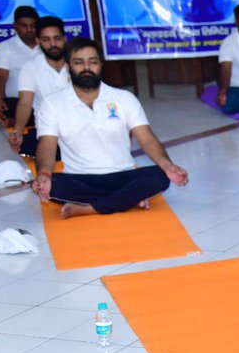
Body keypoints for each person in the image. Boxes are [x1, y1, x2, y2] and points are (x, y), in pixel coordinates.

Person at [30, 38, 189, 219]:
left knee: (160, 176)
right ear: (68, 66)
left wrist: (168, 165)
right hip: (80, 179)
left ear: (100, 64)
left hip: (123, 176)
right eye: (79, 62)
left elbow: (146, 138)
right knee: (49, 185)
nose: (87, 68)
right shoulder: (52, 103)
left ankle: (88, 208)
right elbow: (47, 145)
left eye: (93, 62)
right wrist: (43, 173)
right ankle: (126, 200)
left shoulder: (123, 98)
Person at [10, 16, 69, 158]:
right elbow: (25, 102)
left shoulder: (78, 63)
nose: (53, 44)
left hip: (80, 131)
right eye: (46, 40)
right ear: (38, 41)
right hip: (48, 132)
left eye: (57, 38)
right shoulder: (30, 67)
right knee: (25, 147)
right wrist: (17, 131)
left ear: (65, 39)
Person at [0, 5, 40, 124]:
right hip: (19, 101)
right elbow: (1, 75)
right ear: (15, 26)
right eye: (24, 26)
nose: (29, 30)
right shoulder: (5, 47)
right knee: (10, 107)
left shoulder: (46, 45)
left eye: (33, 25)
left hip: (46, 101)